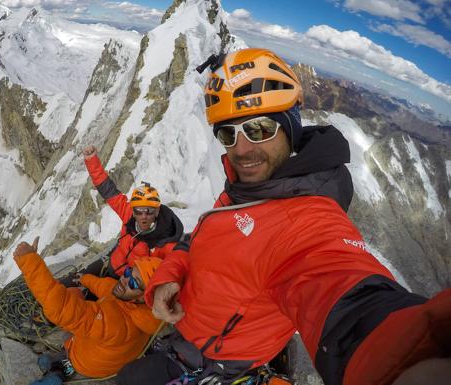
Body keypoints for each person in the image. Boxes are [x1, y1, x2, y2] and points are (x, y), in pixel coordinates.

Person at [117, 48, 451, 385]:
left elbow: (343, 293)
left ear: (290, 128)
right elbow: (199, 240)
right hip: (189, 329)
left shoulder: (307, 218)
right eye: (228, 134)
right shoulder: (246, 189)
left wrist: (408, 360)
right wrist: (170, 275)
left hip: (216, 358)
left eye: (259, 129)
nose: (242, 150)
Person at [13, 236, 163, 384]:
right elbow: (106, 287)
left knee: (69, 303)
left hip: (88, 363)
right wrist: (85, 279)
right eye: (129, 271)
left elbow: (61, 309)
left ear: (145, 297)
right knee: (75, 294)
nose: (125, 279)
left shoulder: (116, 322)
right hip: (108, 354)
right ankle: (62, 362)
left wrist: (29, 261)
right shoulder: (138, 307)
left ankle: (64, 367)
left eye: (134, 282)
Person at [82, 145, 184, 277]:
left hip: (128, 284)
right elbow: (107, 189)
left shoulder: (165, 244)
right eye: (138, 211)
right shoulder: (129, 214)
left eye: (149, 211)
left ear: (157, 211)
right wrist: (92, 160)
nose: (143, 216)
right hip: (112, 265)